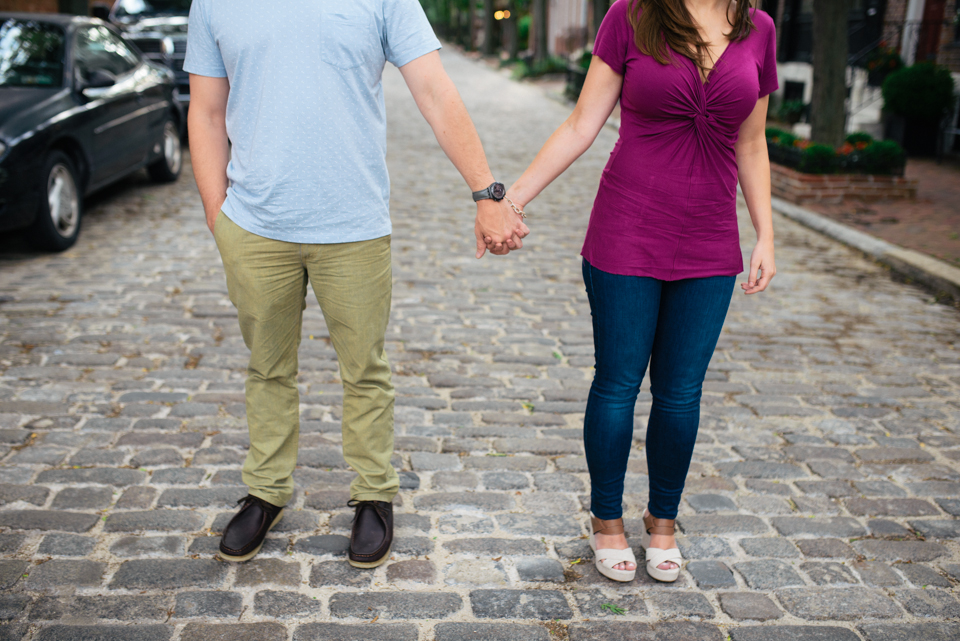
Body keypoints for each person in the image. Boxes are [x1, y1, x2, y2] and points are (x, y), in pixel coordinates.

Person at [185, 0, 528, 568]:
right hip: (254, 226)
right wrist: (216, 214)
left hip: (354, 228)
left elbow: (435, 90)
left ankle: (374, 491)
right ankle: (266, 490)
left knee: (365, 370)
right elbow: (206, 110)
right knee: (266, 367)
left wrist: (487, 192)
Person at [501, 0, 777, 582]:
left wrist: (765, 235)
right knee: (619, 382)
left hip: (708, 238)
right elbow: (582, 124)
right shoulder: (630, 16)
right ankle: (606, 522)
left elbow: (752, 143)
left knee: (681, 393)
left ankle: (663, 523)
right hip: (627, 229)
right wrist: (512, 199)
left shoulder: (759, 29)